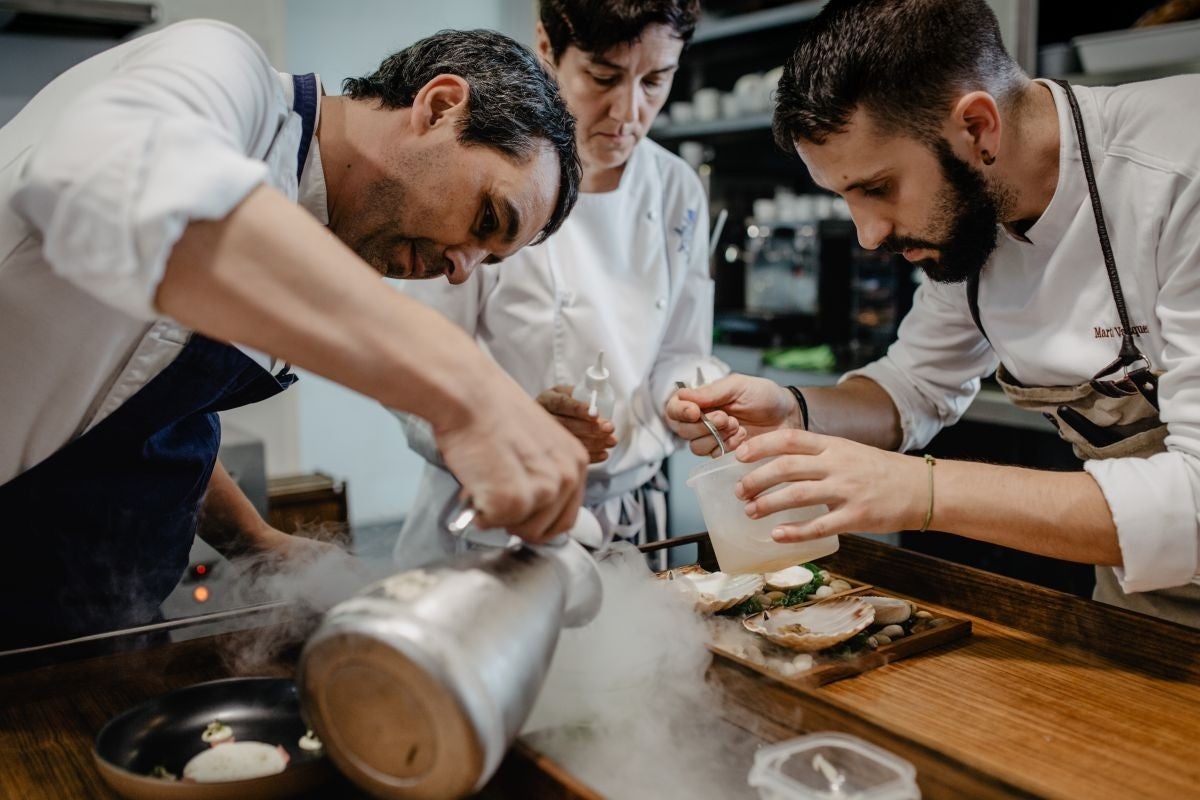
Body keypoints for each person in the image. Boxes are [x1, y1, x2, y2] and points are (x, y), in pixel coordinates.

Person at [0, 20, 588, 647]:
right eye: (486, 218)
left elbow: (140, 413)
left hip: (91, 633)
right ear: (440, 106)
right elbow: (109, 184)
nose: (459, 270)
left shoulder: (302, 236)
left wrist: (255, 541)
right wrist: (463, 387)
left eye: (488, 260)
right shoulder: (224, 71)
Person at [667, 0, 1200, 627]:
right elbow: (913, 388)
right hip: (1144, 610)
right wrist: (793, 410)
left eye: (878, 187)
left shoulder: (1179, 169)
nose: (868, 235)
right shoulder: (974, 214)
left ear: (977, 127)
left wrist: (917, 490)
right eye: (845, 197)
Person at [392, 0, 726, 568]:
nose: (628, 112)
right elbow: (413, 376)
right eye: (604, 77)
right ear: (547, 46)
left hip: (631, 520)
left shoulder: (675, 189)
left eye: (656, 80)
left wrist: (689, 400)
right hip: (494, 519)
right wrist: (513, 428)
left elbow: (679, 353)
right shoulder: (491, 172)